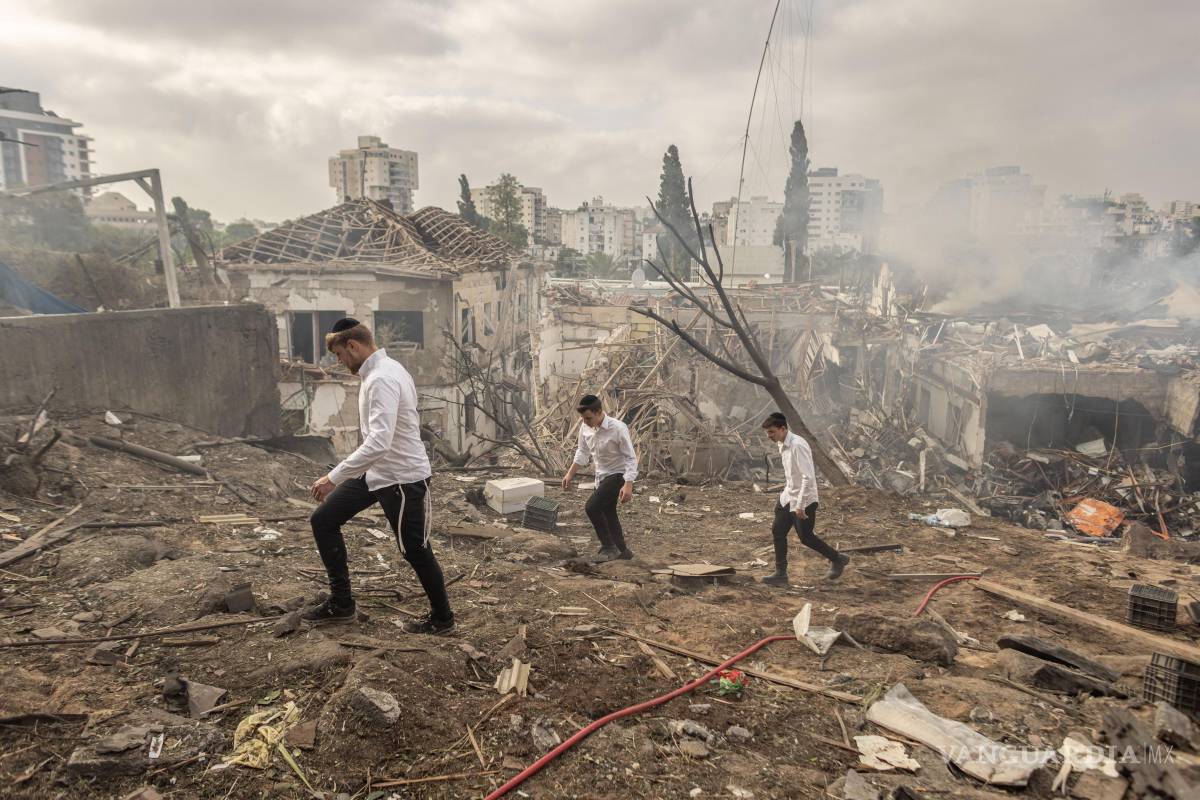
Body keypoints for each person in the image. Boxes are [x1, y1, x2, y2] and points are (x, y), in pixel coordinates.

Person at [303, 318, 454, 634]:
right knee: (324, 520)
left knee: (415, 549)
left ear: (353, 346)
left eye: (340, 355)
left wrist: (334, 476)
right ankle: (342, 604)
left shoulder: (382, 378)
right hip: (376, 471)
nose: (340, 363)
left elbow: (379, 441)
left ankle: (443, 619)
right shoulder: (382, 371)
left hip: (402, 478)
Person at [760, 412, 849, 585]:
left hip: (804, 499)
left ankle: (837, 558)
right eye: (768, 433)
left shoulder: (798, 445)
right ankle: (780, 574)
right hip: (788, 496)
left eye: (772, 432)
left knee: (806, 537)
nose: (769, 436)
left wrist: (799, 506)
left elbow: (808, 477)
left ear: (783, 428)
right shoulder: (781, 443)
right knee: (778, 531)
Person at [561, 394, 638, 561]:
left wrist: (628, 484)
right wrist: (570, 474)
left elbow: (631, 457)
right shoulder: (585, 427)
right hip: (601, 476)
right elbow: (582, 452)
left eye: (588, 418)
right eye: (582, 418)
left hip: (618, 475)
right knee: (608, 512)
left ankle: (609, 547)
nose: (585, 422)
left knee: (592, 507)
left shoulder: (618, 428)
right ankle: (622, 551)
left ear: (599, 412)